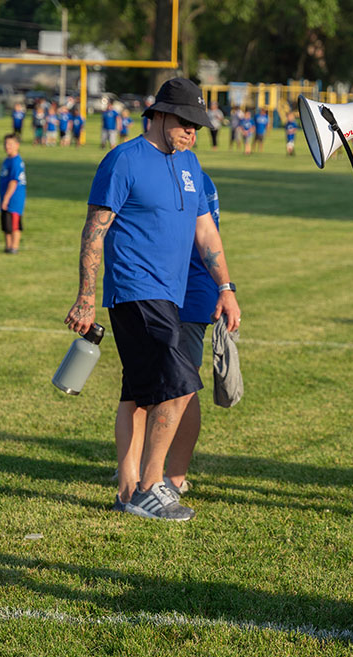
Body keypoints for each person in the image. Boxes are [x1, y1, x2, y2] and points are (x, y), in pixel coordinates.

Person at [64, 77, 241, 522]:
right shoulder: (123, 160)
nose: (191, 133)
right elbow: (95, 231)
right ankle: (150, 486)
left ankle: (130, 488)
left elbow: (206, 231)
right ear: (158, 114)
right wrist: (87, 297)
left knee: (141, 390)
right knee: (181, 383)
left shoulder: (190, 164)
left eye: (197, 125)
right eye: (184, 123)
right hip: (135, 291)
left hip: (173, 294)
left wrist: (225, 286)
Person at [164, 169, 222, 494]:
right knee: (151, 379)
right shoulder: (191, 174)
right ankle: (141, 468)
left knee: (182, 387)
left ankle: (175, 476)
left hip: (189, 291)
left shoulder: (189, 177)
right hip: (160, 290)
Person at [0, 133, 27, 254]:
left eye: (10, 144)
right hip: (6, 196)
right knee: (6, 224)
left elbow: (13, 182)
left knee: (14, 224)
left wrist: (6, 199)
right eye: (5, 143)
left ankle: (14, 247)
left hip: (14, 198)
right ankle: (8, 246)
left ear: (17, 145)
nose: (7, 146)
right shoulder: (7, 160)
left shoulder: (16, 161)